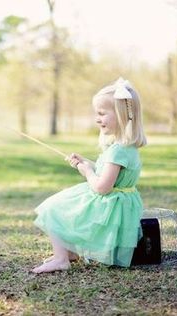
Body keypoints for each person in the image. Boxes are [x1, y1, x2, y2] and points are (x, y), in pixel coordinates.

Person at [32, 77, 147, 273]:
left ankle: (61, 259)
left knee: (53, 208)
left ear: (120, 115)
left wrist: (87, 172)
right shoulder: (123, 147)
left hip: (109, 205)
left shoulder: (118, 150)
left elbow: (103, 187)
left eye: (102, 113)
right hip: (119, 202)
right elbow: (110, 172)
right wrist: (86, 162)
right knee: (60, 205)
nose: (97, 119)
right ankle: (69, 253)